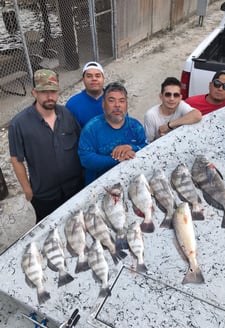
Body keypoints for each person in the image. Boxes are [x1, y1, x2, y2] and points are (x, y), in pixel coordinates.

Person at [8, 69, 84, 223]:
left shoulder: (67, 115)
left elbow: (81, 143)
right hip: (45, 196)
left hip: (75, 187)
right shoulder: (19, 124)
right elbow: (16, 159)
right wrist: (27, 190)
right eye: (44, 92)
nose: (49, 97)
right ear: (34, 93)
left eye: (53, 91)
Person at [78, 82, 148, 185]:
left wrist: (131, 147)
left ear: (126, 104)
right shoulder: (91, 128)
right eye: (111, 101)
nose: (117, 105)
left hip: (133, 182)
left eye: (122, 101)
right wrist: (116, 159)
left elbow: (146, 147)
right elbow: (86, 159)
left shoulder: (135, 126)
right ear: (103, 104)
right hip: (100, 186)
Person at [144, 77, 202, 142]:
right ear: (161, 96)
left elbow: (197, 115)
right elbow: (148, 143)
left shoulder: (181, 105)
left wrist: (169, 125)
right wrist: (163, 140)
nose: (172, 98)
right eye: (168, 94)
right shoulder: (151, 115)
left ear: (180, 98)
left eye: (176, 95)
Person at [66, 61, 105, 128]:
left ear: (103, 78)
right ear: (83, 79)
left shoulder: (116, 100)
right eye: (89, 76)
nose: (94, 79)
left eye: (98, 76)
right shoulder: (72, 105)